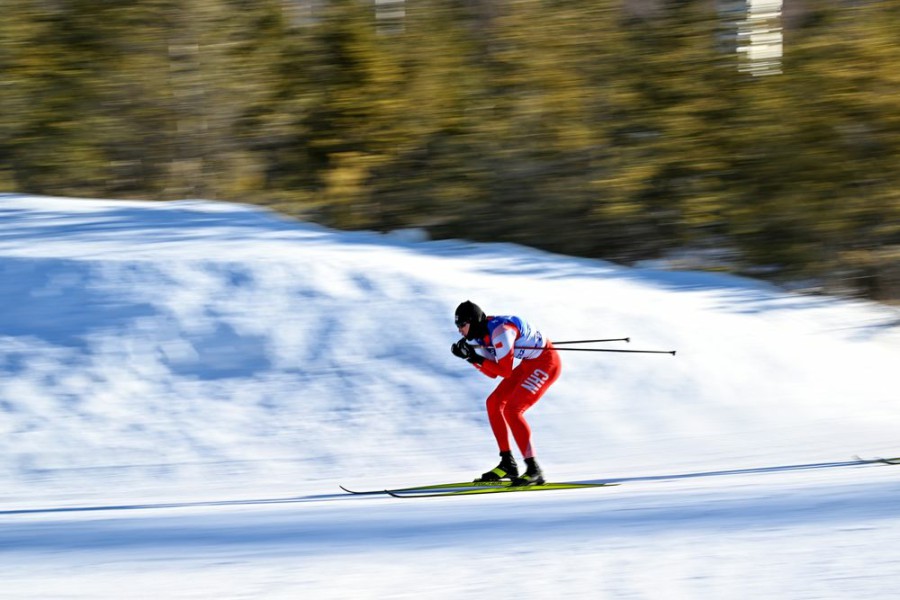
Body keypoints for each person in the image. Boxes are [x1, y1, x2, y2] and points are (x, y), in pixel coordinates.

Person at [451, 300, 561, 486]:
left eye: (462, 325)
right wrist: (470, 358)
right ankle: (507, 463)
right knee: (493, 402)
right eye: (457, 326)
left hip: (546, 362)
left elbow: (505, 371)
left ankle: (534, 469)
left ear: (473, 321)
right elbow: (493, 373)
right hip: (528, 363)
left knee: (512, 410)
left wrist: (474, 357)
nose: (460, 330)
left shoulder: (500, 331)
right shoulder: (481, 335)